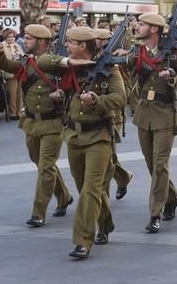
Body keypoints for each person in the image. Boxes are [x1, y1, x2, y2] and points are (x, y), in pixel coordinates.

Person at [35, 26, 125, 260]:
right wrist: (69, 62)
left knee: (91, 188)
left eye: (71, 43)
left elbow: (120, 98)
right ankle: (105, 223)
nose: (67, 45)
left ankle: (83, 241)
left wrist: (96, 100)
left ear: (82, 46)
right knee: (82, 186)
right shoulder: (68, 66)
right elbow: (43, 61)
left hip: (99, 136)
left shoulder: (107, 69)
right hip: (74, 135)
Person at [0, 24, 74, 228]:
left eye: (29, 38)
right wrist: (0, 54)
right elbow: (10, 67)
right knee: (39, 162)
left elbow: (71, 83)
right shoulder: (27, 62)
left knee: (45, 166)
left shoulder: (56, 63)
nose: (25, 40)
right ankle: (63, 196)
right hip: (31, 122)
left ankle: (39, 212)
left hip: (53, 122)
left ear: (41, 41)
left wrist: (62, 94)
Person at [121, 12, 177, 234]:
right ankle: (170, 196)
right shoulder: (139, 51)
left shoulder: (173, 53)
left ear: (153, 29)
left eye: (141, 24)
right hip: (144, 113)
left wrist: (172, 78)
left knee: (160, 165)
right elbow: (128, 67)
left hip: (164, 113)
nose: (137, 27)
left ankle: (155, 213)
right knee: (152, 164)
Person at [92, 28, 133, 201]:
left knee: (106, 158)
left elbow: (127, 90)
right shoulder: (92, 58)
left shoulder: (116, 61)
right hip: (93, 114)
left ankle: (102, 197)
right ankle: (123, 177)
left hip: (112, 115)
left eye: (98, 39)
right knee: (107, 157)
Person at [1, 28, 24, 120]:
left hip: (19, 72)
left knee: (20, 94)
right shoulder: (2, 46)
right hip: (10, 73)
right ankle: (12, 113)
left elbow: (21, 57)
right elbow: (8, 60)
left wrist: (15, 49)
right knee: (12, 94)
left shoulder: (17, 46)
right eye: (9, 37)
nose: (11, 39)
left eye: (13, 37)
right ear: (5, 37)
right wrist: (11, 49)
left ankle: (20, 112)